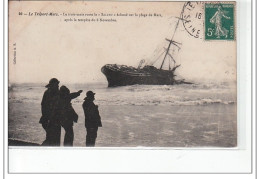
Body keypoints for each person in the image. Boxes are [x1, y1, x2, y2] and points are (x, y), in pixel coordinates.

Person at [40, 78, 82, 146]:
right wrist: (46, 117)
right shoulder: (48, 93)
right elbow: (44, 106)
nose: (58, 86)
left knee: (53, 139)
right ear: (52, 85)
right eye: (57, 85)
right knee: (51, 139)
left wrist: (77, 93)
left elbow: (67, 96)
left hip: (55, 119)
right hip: (50, 119)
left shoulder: (56, 92)